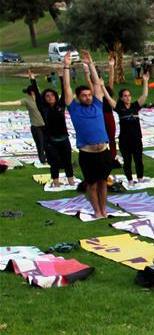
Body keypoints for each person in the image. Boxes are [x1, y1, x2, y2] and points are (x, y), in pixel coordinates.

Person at [62, 51, 111, 218]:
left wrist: (91, 64)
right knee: (92, 185)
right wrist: (66, 65)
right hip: (87, 154)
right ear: (78, 97)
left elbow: (97, 84)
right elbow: (66, 88)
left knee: (103, 183)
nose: (88, 97)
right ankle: (97, 211)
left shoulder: (97, 104)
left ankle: (104, 210)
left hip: (103, 152)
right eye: (84, 95)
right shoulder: (74, 108)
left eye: (89, 95)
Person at [32, 76, 75, 187]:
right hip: (50, 141)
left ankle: (71, 182)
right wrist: (33, 80)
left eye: (52, 95)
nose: (50, 97)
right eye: (47, 96)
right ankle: (56, 184)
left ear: (56, 97)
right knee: (54, 162)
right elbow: (37, 96)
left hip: (64, 139)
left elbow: (65, 91)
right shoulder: (43, 109)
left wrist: (62, 78)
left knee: (67, 162)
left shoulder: (61, 105)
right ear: (44, 99)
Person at [111, 72, 149, 185]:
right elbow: (108, 99)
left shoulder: (135, 106)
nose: (128, 97)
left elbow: (145, 96)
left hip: (137, 139)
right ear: (121, 98)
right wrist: (102, 87)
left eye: (129, 95)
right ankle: (130, 180)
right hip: (124, 140)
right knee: (127, 161)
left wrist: (145, 81)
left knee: (138, 160)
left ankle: (140, 178)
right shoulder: (119, 108)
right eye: (125, 96)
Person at [0, 74, 46, 164]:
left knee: (49, 143)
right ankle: (43, 160)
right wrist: (1, 103)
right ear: (32, 92)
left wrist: (32, 78)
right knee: (40, 144)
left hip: (46, 125)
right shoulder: (27, 100)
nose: (38, 90)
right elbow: (13, 103)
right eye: (36, 90)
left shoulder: (41, 99)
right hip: (36, 127)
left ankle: (53, 158)